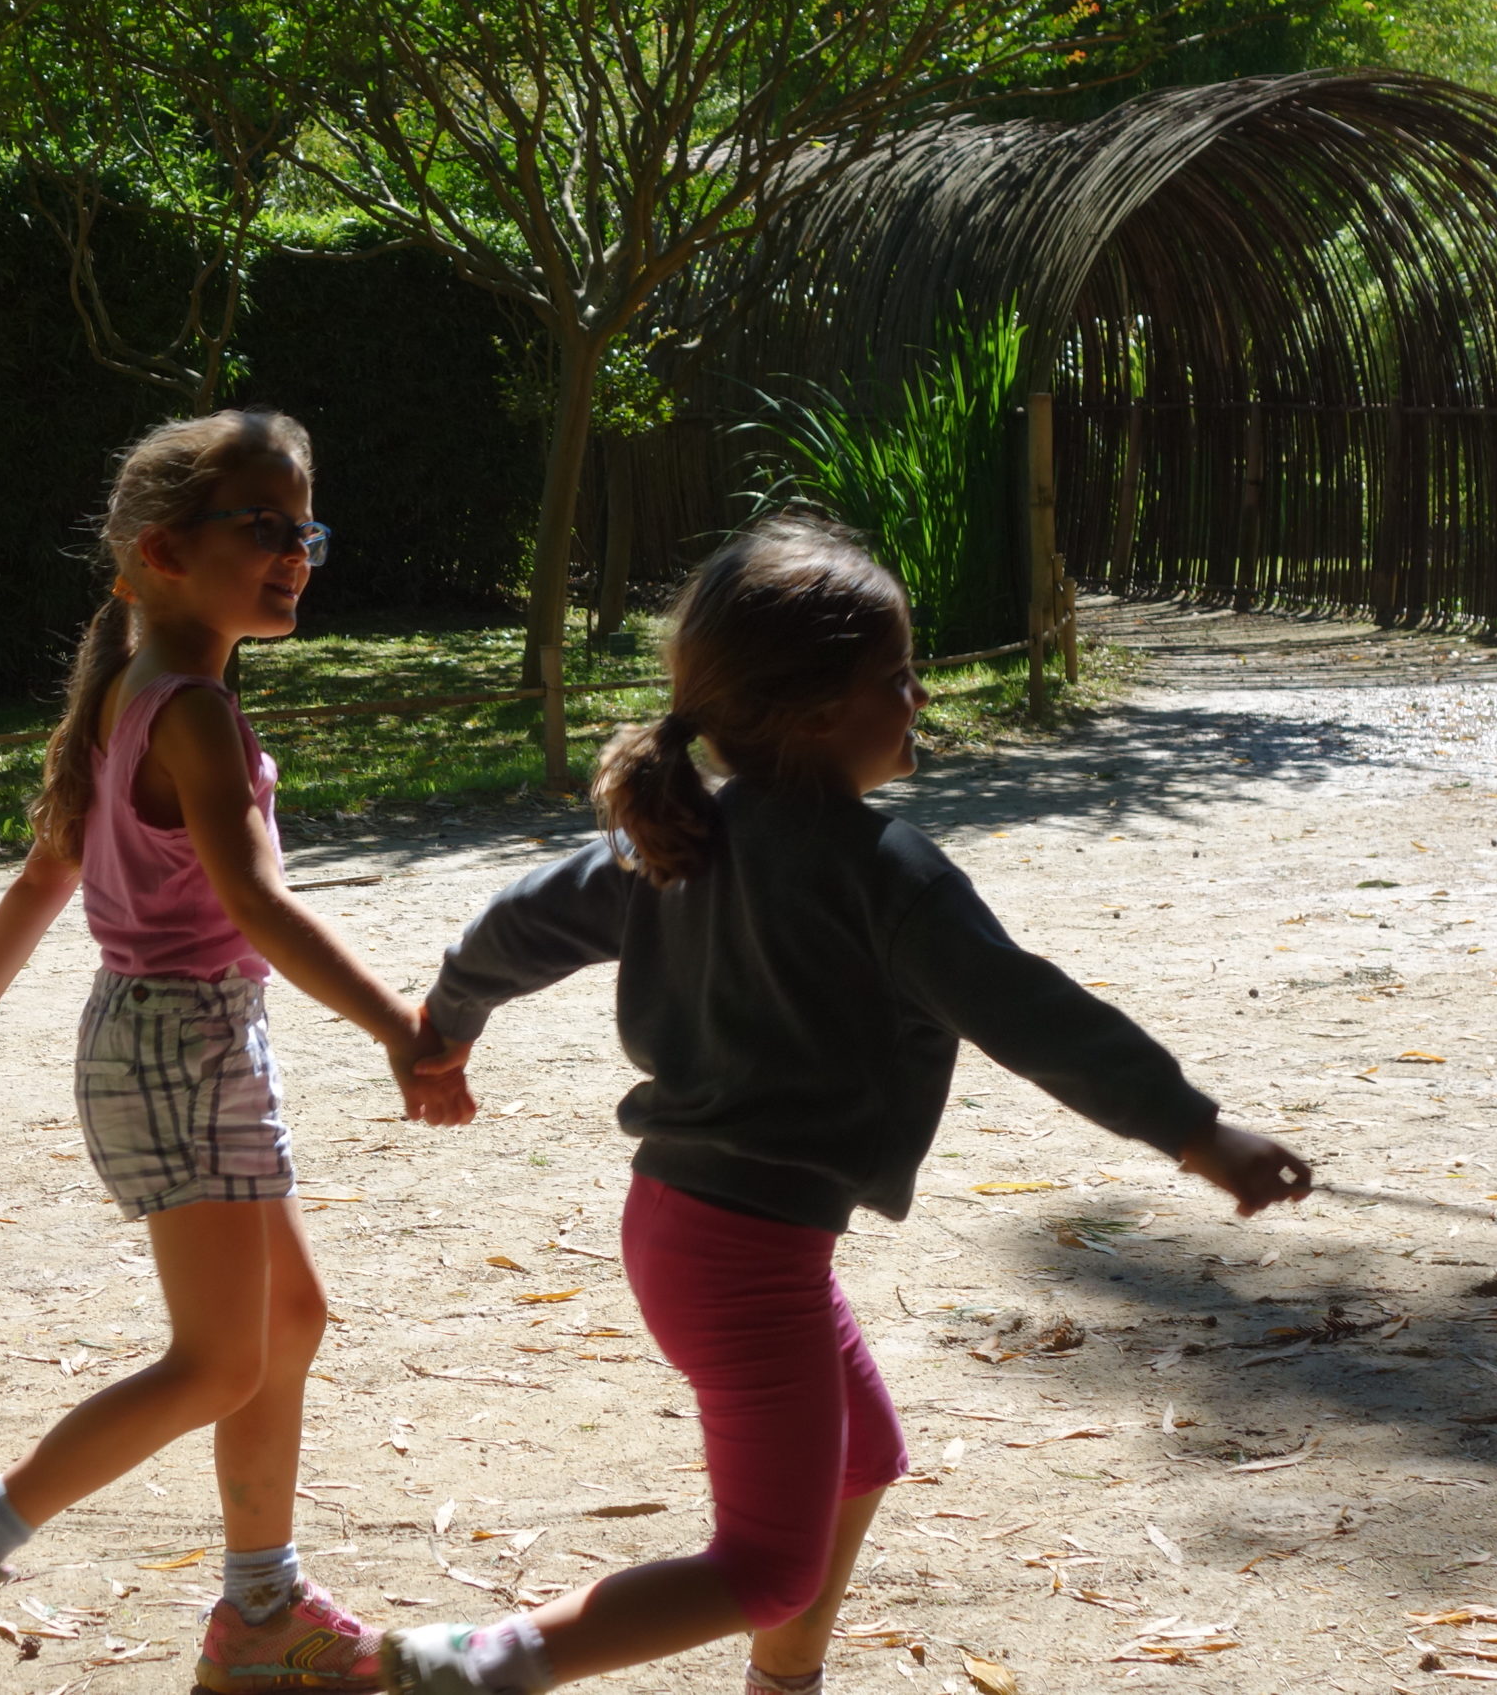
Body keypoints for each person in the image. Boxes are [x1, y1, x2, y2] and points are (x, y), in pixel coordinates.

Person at [386, 516, 1312, 1695]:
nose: (917, 696)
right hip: (744, 1253)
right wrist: (1195, 1129)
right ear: (819, 710)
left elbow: (519, 921)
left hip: (690, 1230)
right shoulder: (882, 872)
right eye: (897, 676)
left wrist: (450, 1020)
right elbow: (1032, 1014)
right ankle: (445, 1670)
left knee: (858, 1462)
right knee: (767, 1567)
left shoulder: (680, 834)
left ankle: (784, 1686)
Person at [0, 409, 473, 1695]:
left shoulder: (132, 696)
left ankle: (261, 1610)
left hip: (189, 1038)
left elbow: (46, 872)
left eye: (305, 529)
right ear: (160, 551)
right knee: (218, 1358)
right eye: (262, 527)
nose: (296, 554)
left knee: (287, 1320)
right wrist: (400, 1026)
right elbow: (255, 902)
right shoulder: (186, 711)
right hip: (178, 1043)